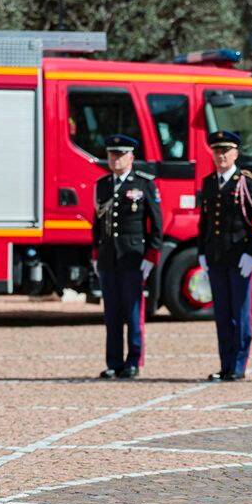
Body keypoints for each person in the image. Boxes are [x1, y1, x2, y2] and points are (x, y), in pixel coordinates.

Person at [197, 130, 252, 381]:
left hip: (240, 259)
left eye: (226, 151)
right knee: (222, 314)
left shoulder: (247, 182)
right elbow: (204, 222)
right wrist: (202, 253)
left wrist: (251, 253)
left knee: (240, 314)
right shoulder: (209, 183)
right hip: (217, 258)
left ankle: (238, 365)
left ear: (236, 153)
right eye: (217, 151)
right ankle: (226, 364)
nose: (221, 156)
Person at [92, 133, 163, 379]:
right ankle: (113, 362)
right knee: (112, 314)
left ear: (131, 157)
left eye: (121, 155)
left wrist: (150, 257)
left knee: (133, 312)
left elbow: (156, 225)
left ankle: (133, 361)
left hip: (133, 257)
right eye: (112, 155)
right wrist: (95, 253)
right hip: (109, 258)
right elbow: (97, 223)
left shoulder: (143, 184)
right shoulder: (102, 185)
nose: (116, 159)